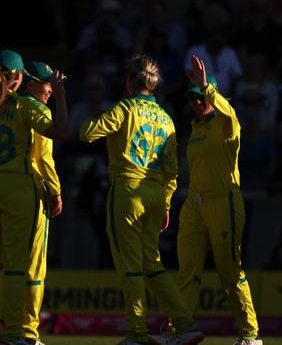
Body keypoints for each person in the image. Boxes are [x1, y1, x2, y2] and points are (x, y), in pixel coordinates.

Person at [79, 54, 203, 345]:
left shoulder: (123, 109)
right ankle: (185, 323)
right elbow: (172, 171)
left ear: (129, 82)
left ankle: (136, 333)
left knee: (130, 267)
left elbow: (86, 134)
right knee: (153, 264)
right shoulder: (167, 119)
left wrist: (98, 113)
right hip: (156, 195)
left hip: (127, 191)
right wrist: (167, 205)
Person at [0, 50, 69, 345]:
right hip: (19, 188)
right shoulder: (23, 107)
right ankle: (13, 334)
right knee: (17, 266)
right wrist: (59, 95)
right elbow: (61, 132)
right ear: (20, 77)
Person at [169, 55, 262, 345]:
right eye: (193, 98)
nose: (197, 102)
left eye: (201, 97)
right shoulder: (195, 130)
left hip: (225, 202)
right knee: (188, 271)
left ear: (213, 95)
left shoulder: (227, 124)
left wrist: (207, 87)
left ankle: (250, 335)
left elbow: (226, 110)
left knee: (229, 272)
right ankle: (180, 329)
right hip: (195, 203)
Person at [17, 61, 63, 345]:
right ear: (30, 83)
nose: (51, 89)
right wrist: (56, 190)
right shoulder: (38, 110)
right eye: (46, 84)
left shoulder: (9, 105)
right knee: (35, 266)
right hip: (33, 192)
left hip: (4, 189)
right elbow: (44, 157)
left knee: (9, 264)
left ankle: (7, 329)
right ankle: (27, 332)